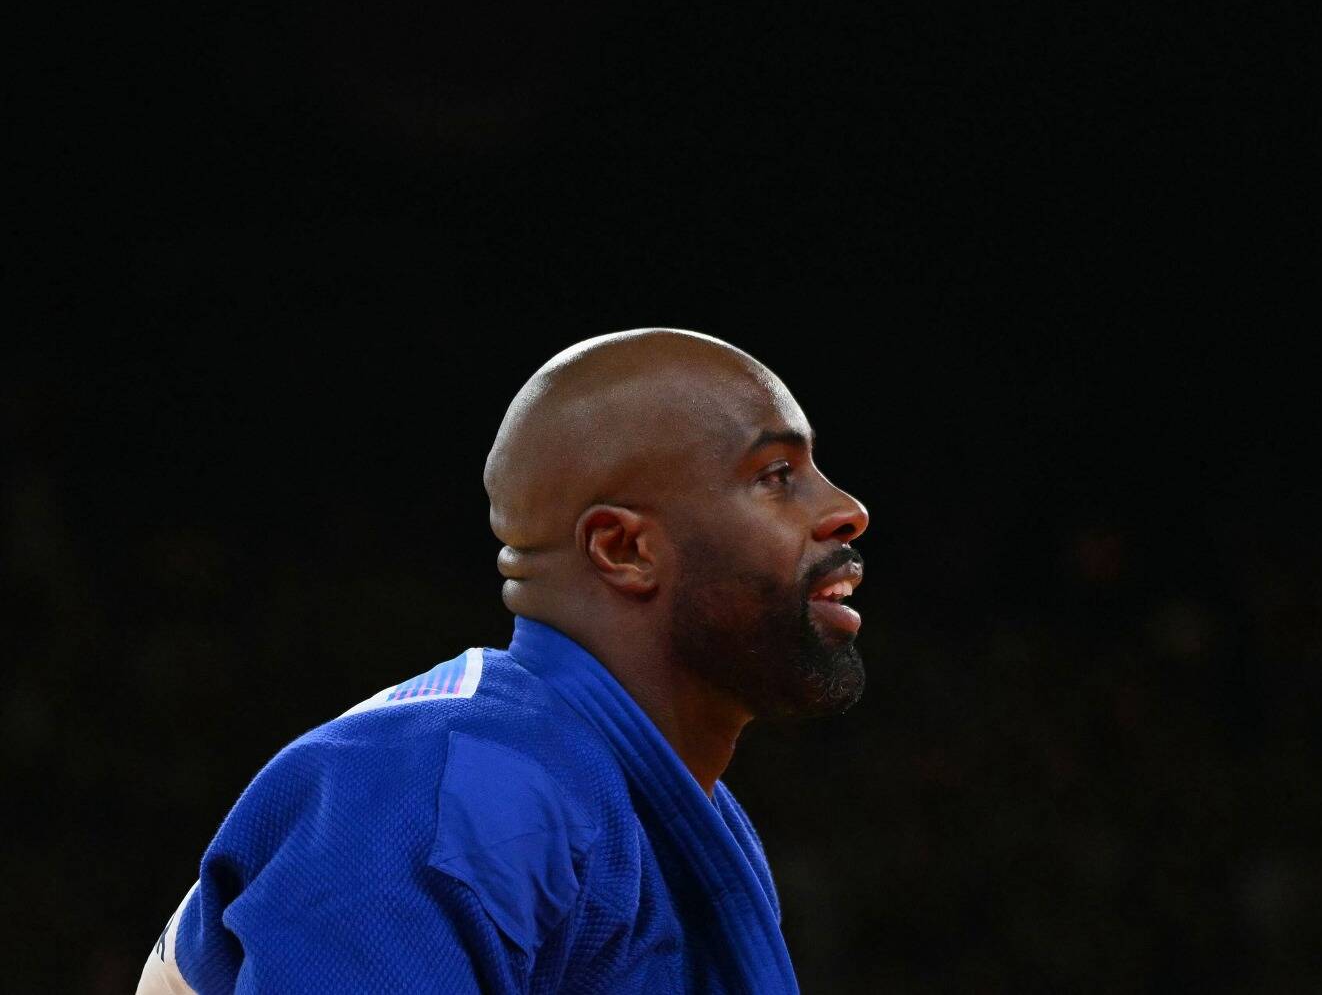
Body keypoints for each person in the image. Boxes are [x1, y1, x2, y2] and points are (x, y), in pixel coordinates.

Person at [137, 329, 870, 994]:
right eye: (777, 475)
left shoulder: (657, 806)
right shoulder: (453, 789)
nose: (846, 509)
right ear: (624, 549)